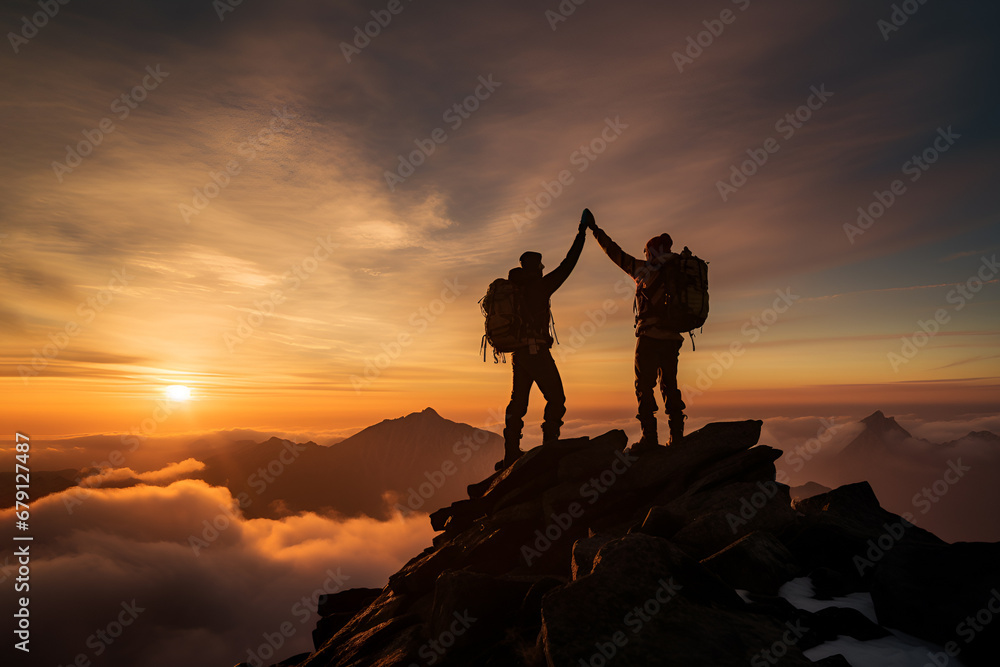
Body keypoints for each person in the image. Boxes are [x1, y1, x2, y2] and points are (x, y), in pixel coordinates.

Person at [583, 208, 686, 452]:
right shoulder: (681, 269)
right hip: (673, 339)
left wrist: (596, 231)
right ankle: (678, 437)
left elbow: (615, 253)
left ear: (651, 251)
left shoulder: (645, 270)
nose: (645, 255)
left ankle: (649, 438)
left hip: (649, 337)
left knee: (644, 386)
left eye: (646, 252)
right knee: (670, 384)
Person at [500, 216, 588, 468]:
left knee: (518, 402)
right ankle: (550, 444)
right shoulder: (540, 287)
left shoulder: (513, 288)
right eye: (540, 266)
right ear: (537, 267)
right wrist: (581, 233)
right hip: (536, 351)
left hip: (519, 354)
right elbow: (568, 264)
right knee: (557, 398)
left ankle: (511, 451)